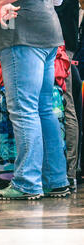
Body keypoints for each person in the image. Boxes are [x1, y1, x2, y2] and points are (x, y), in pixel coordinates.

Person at [0, 0, 70, 200]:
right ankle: (55, 180)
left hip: (21, 32)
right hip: (47, 30)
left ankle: (27, 182)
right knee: (44, 110)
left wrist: (0, 3)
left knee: (24, 110)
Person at [55, 0, 81, 192]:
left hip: (59, 47)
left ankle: (69, 172)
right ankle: (68, 172)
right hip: (62, 45)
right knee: (65, 105)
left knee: (65, 104)